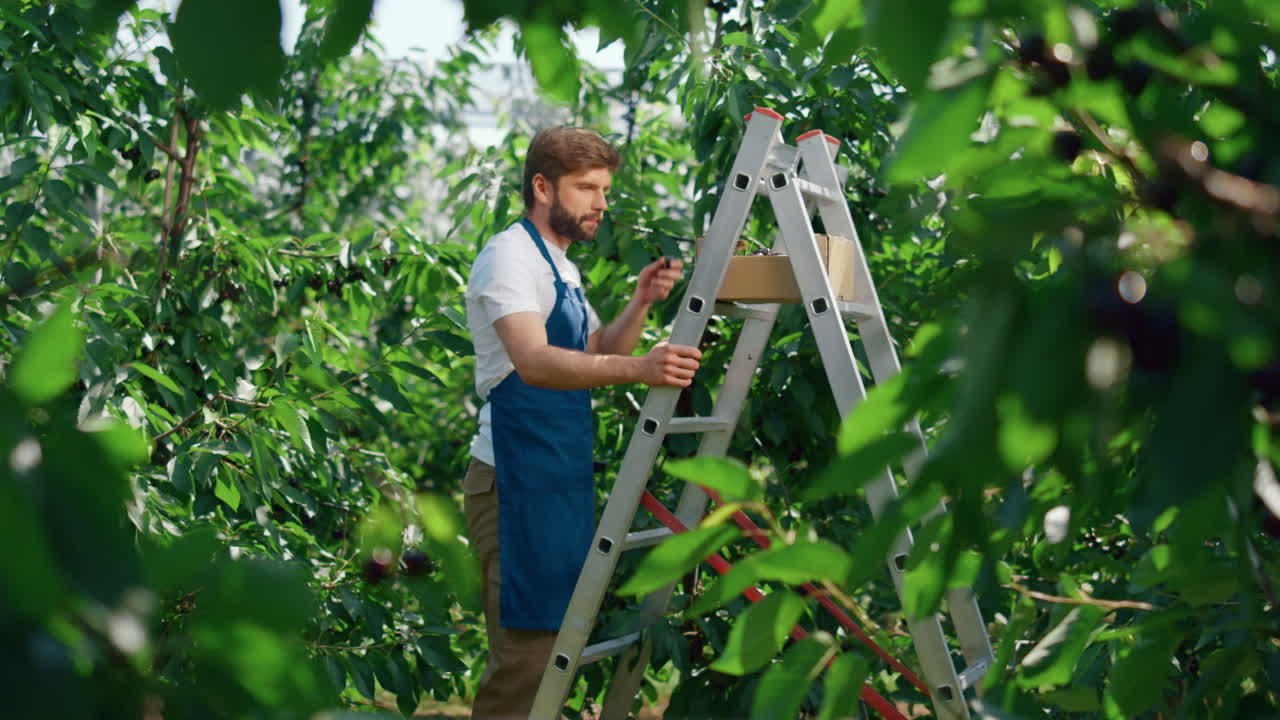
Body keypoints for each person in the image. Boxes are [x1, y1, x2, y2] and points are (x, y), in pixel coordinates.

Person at [461, 126, 703, 718]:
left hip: (557, 479)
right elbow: (536, 361)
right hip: (514, 482)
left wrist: (641, 302)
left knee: (556, 652)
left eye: (604, 189)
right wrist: (639, 368)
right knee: (526, 660)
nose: (602, 203)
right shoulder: (509, 256)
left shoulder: (560, 266)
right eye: (587, 188)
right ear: (542, 187)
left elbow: (594, 344)